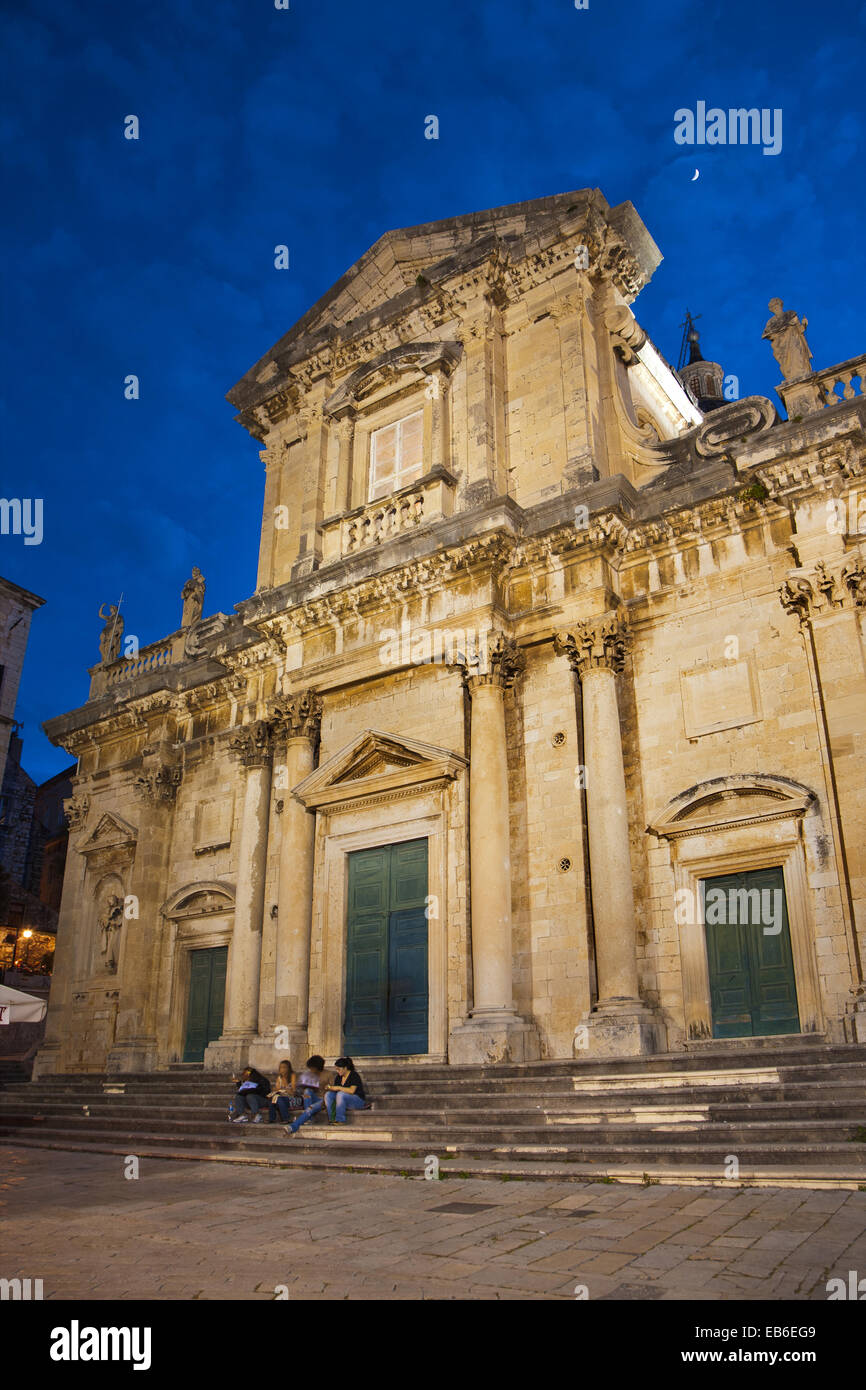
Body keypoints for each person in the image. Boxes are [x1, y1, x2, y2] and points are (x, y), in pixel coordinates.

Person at [283, 1054, 327, 1136]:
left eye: (313, 1068)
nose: (311, 1070)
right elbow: (299, 1086)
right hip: (312, 1097)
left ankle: (293, 1127)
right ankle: (309, 1119)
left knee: (310, 1108)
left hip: (324, 1099)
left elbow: (332, 1090)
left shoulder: (327, 1074)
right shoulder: (307, 1075)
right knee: (307, 1091)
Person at [323, 1056, 367, 1125]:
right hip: (343, 1101)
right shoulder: (338, 1077)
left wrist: (339, 1088)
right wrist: (330, 1088)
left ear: (345, 1068)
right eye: (336, 1069)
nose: (337, 1071)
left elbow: (352, 1091)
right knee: (328, 1094)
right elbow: (336, 1091)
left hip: (357, 1101)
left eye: (339, 1069)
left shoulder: (354, 1075)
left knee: (341, 1094)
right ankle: (332, 1119)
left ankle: (340, 1120)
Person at [267, 1059, 302, 1123]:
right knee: (273, 1099)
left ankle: (286, 1118)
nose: (282, 1069)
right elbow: (276, 1089)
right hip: (283, 1098)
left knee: (279, 1099)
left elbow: (293, 1092)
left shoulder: (292, 1076)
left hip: (294, 1099)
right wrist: (276, 1090)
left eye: (284, 1067)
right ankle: (272, 1118)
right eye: (281, 1068)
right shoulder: (279, 1078)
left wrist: (284, 1087)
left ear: (288, 1068)